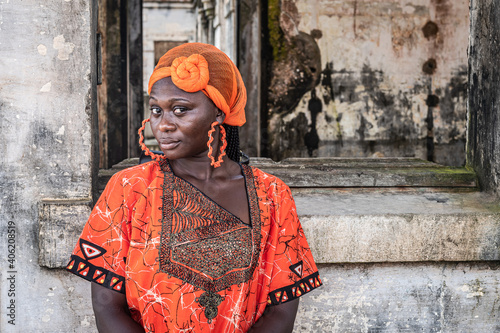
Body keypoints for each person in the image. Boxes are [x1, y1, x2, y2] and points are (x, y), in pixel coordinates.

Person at [67, 42, 322, 332]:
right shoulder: (129, 189)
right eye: (156, 110)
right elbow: (107, 306)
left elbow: (281, 311)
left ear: (219, 113)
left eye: (180, 109)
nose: (163, 125)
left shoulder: (272, 195)